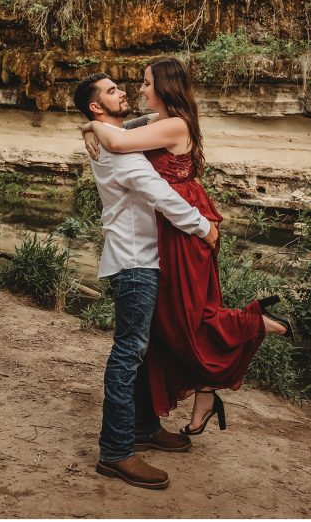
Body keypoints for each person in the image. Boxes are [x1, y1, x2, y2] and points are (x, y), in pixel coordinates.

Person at [80, 58, 291, 441]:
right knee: (169, 324)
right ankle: (189, 402)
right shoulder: (156, 122)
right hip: (170, 230)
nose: (139, 90)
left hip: (186, 224)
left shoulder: (173, 124)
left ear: (164, 85)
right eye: (122, 88)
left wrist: (93, 123)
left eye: (146, 83)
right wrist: (90, 123)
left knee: (188, 316)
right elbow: (121, 131)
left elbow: (119, 138)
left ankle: (250, 326)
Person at [72, 72, 220, 490]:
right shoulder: (121, 154)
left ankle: (143, 426)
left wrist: (89, 124)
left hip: (139, 259)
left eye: (126, 86)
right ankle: (115, 452)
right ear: (100, 105)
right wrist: (202, 227)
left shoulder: (112, 135)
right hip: (135, 263)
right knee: (128, 354)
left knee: (143, 349)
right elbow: (160, 193)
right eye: (113, 91)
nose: (125, 92)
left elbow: (131, 129)